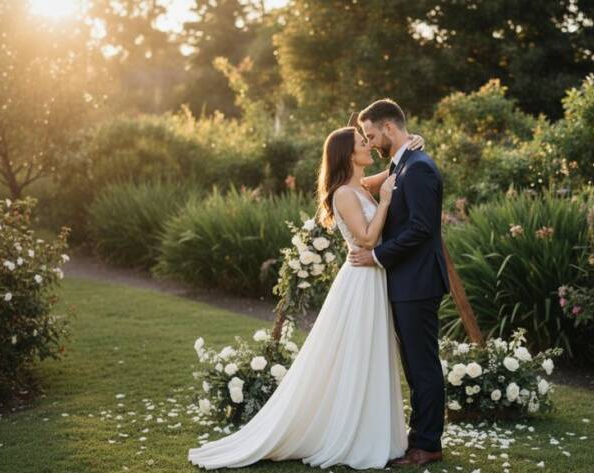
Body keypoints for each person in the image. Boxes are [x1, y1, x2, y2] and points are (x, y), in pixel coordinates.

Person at [187, 126, 425, 470]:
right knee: (356, 353)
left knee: (370, 353)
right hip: (360, 280)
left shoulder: (359, 185)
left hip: (373, 279)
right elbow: (369, 240)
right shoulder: (344, 193)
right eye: (362, 143)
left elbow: (391, 172)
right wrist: (386, 201)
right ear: (348, 154)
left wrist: (412, 144)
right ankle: (351, 433)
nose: (369, 146)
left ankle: (371, 431)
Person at [349, 99, 450, 467]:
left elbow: (422, 229)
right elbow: (363, 183)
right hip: (407, 282)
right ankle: (419, 439)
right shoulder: (404, 163)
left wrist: (376, 256)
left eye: (373, 134)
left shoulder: (419, 168)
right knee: (414, 363)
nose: (371, 142)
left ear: (390, 128)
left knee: (422, 365)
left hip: (418, 283)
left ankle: (427, 444)